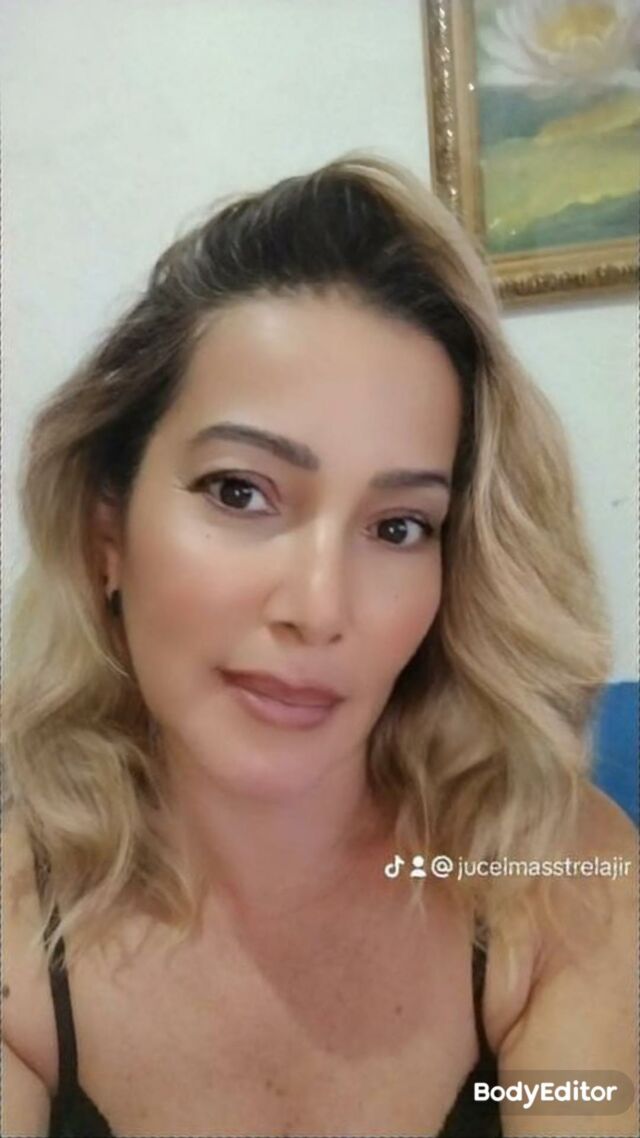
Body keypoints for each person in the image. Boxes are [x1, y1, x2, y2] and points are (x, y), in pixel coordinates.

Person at [1, 152, 637, 1138]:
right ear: (107, 533)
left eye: (398, 526)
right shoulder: (15, 924)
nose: (318, 606)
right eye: (239, 491)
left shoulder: (559, 876)